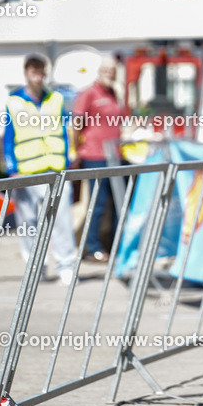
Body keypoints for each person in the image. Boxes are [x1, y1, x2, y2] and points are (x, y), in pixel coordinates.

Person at [2, 53, 79, 285]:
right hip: (26, 171)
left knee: (62, 220)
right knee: (27, 224)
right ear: (26, 73)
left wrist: (68, 157)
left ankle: (66, 265)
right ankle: (36, 267)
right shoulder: (13, 101)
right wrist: (10, 168)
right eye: (34, 72)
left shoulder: (55, 99)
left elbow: (65, 130)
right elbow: (8, 137)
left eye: (41, 72)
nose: (38, 77)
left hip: (56, 170)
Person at [72, 56, 127, 262]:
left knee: (116, 201)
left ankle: (114, 245)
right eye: (105, 70)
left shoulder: (114, 94)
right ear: (98, 71)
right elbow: (77, 123)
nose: (109, 74)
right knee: (99, 202)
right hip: (94, 155)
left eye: (112, 70)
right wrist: (77, 150)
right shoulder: (89, 93)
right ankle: (92, 246)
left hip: (114, 155)